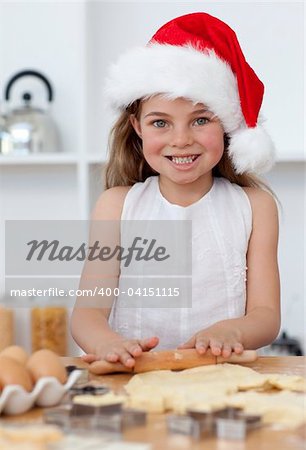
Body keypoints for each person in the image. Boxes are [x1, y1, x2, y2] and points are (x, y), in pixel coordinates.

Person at [71, 12, 280, 369]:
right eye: (160, 123)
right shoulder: (116, 206)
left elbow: (265, 315)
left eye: (201, 120)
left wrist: (234, 330)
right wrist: (108, 342)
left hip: (220, 381)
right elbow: (88, 312)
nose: (181, 140)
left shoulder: (255, 207)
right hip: (135, 380)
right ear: (137, 126)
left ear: (227, 123)